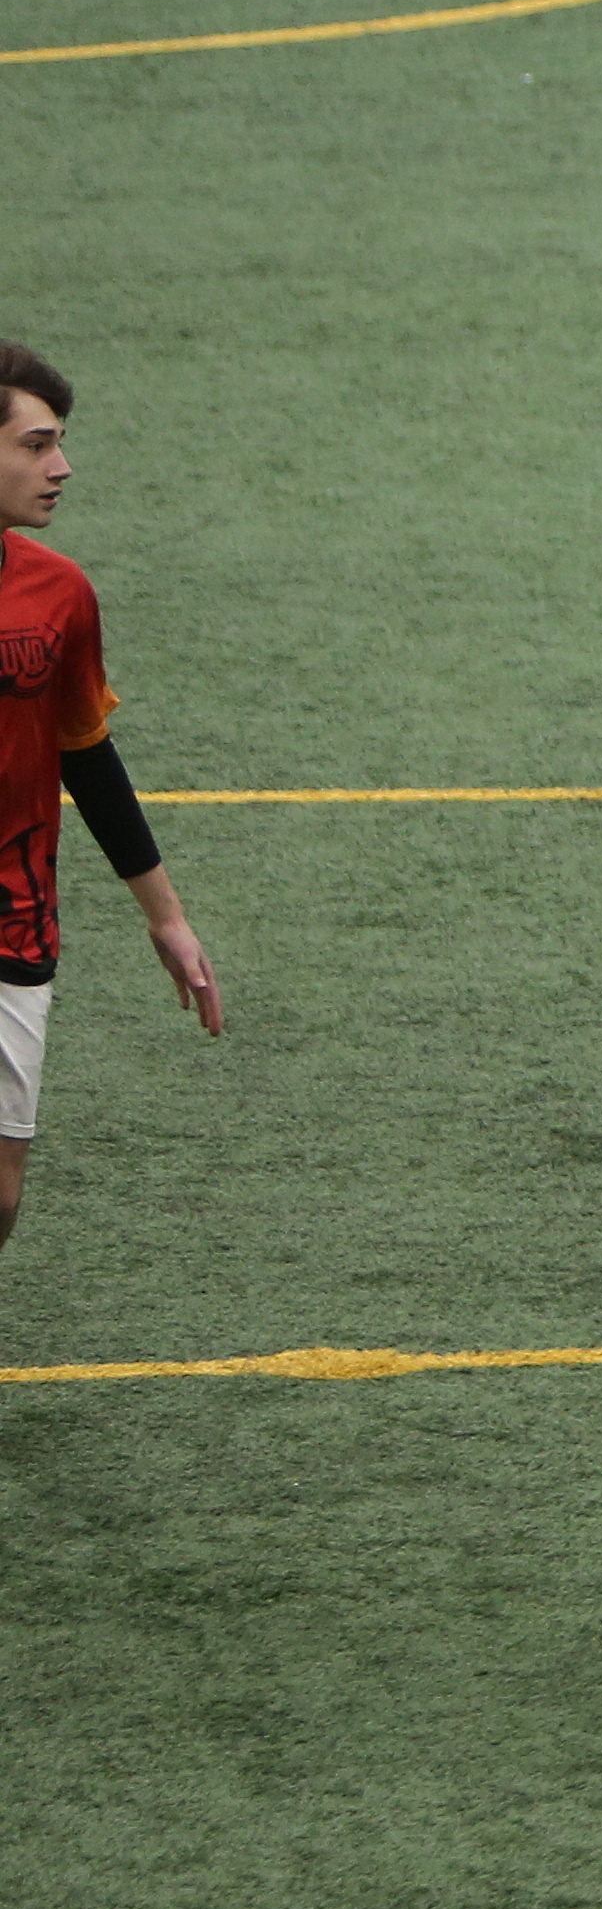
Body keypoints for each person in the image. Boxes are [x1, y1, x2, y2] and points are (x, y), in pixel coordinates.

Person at [0, 345, 230, 1260]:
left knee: (1, 1192)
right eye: (36, 445)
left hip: (14, 919)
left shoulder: (58, 595)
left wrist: (165, 917)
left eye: (59, 443)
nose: (61, 467)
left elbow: (87, 755)